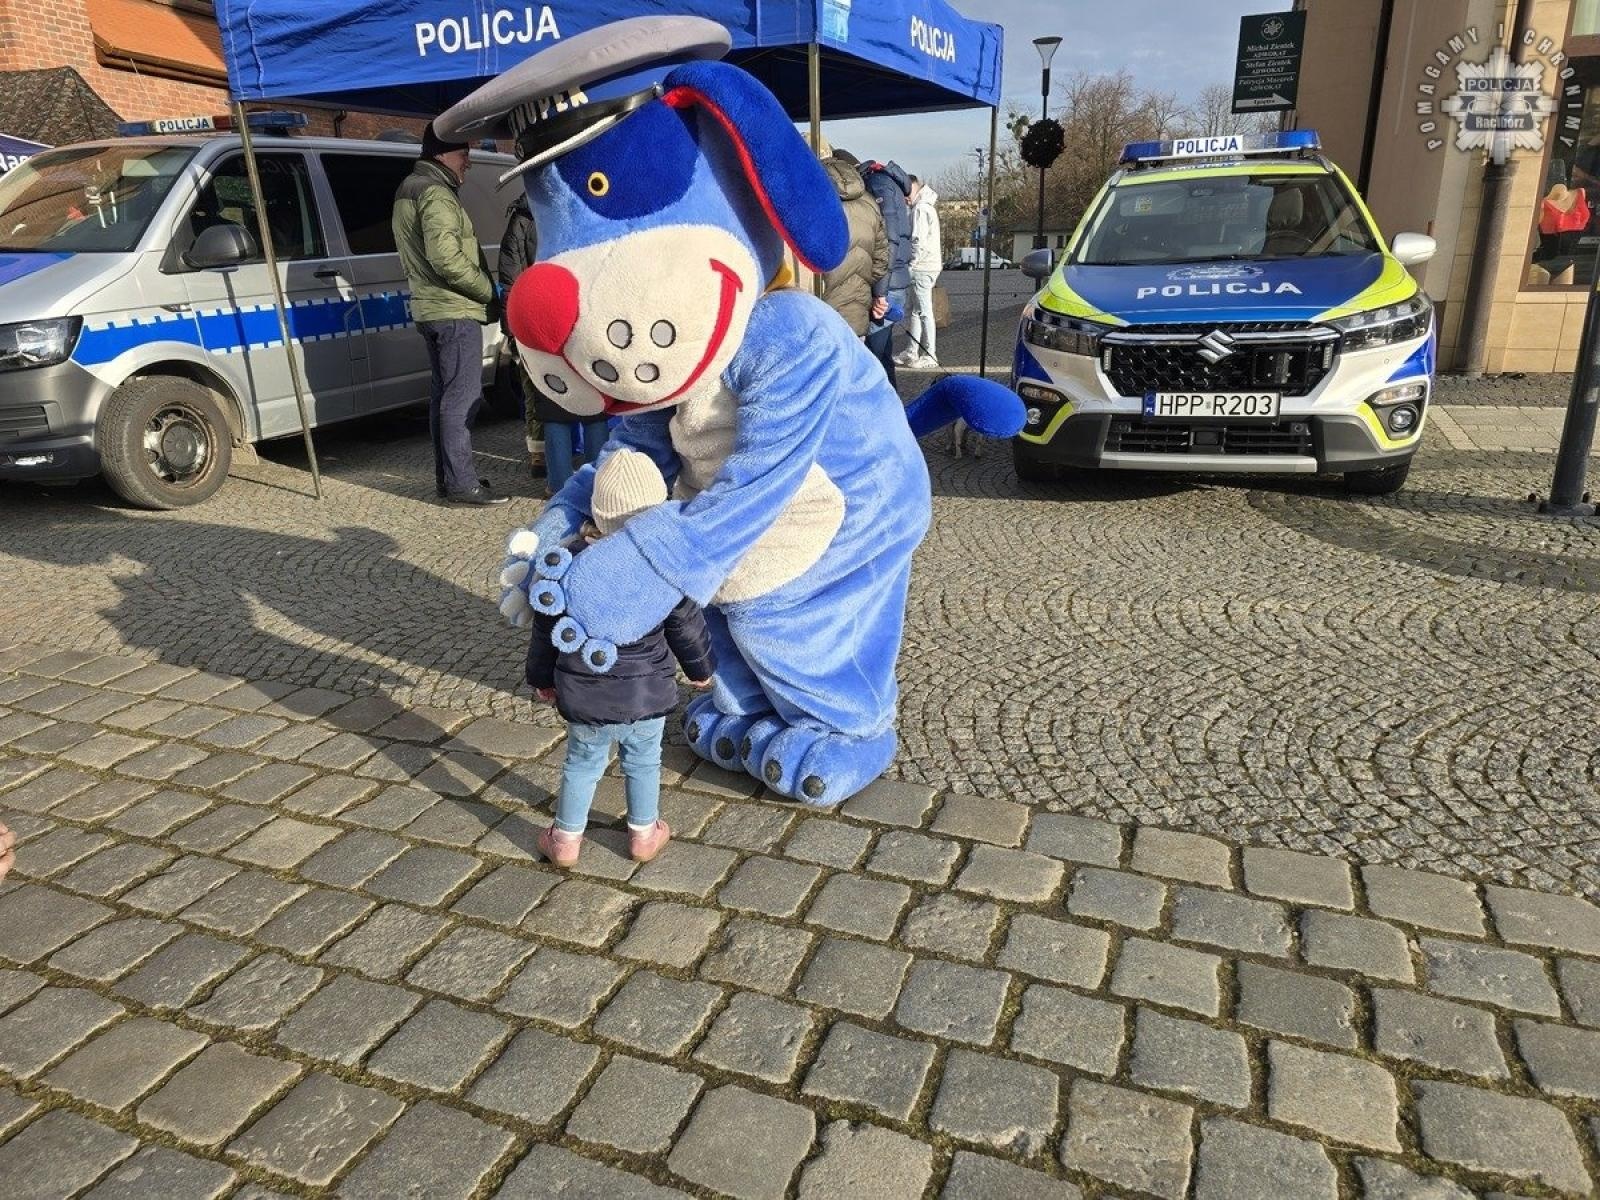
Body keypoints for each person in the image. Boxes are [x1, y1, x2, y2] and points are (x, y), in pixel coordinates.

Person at [527, 449, 717, 868]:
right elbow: (686, 624)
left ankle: (565, 840)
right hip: (646, 694)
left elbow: (545, 630)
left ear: (596, 508)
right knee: (644, 761)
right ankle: (644, 835)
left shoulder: (567, 563)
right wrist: (701, 670)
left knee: (582, 762)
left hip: (584, 693)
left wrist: (541, 677)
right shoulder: (662, 564)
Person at [392, 121, 507, 505]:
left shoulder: (412, 187)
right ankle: (461, 484)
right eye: (464, 154)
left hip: (432, 308)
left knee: (444, 397)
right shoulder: (436, 193)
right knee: (463, 397)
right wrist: (486, 288)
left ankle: (450, 479)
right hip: (453, 308)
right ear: (442, 153)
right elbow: (447, 259)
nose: (468, 163)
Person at [842, 150, 913, 383]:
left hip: (885, 286)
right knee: (881, 356)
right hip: (892, 283)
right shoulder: (887, 184)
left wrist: (880, 293)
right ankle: (891, 411)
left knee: (872, 360)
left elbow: (888, 241)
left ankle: (880, 414)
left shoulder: (878, 185)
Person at [498, 193, 544, 480]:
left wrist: (510, 327)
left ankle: (540, 455)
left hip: (529, 316)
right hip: (568, 314)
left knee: (534, 388)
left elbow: (509, 279)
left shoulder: (521, 219)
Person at [818, 153, 889, 339]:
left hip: (822, 308)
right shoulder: (869, 201)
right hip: (857, 308)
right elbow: (881, 261)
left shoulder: (813, 198)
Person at [899, 174, 943, 370]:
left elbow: (918, 241)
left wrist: (911, 263)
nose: (903, 199)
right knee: (917, 311)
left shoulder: (920, 209)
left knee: (923, 311)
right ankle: (912, 351)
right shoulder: (924, 207)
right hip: (927, 265)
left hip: (922, 266)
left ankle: (929, 354)